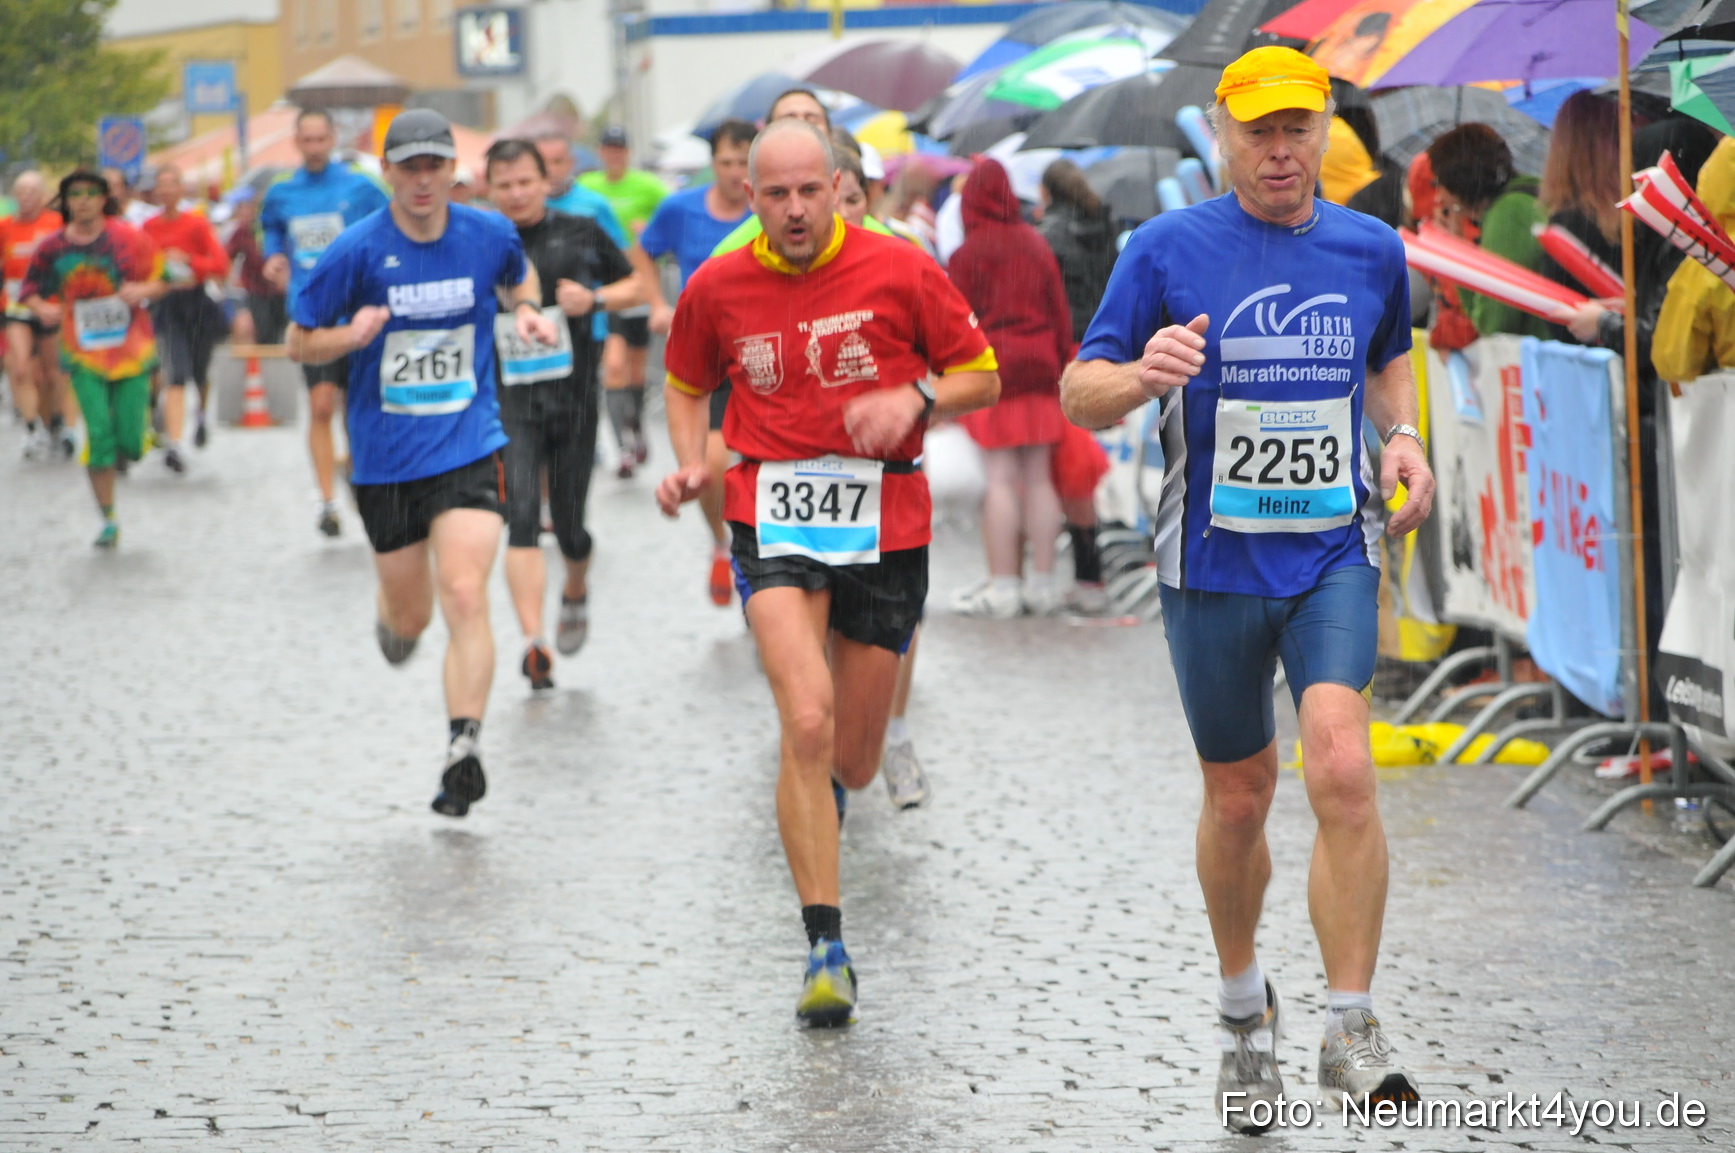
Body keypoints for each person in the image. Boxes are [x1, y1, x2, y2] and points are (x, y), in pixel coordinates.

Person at [1061, 47, 1434, 1130]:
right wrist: (1140, 376)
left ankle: (1349, 1027)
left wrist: (1402, 437)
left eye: (1297, 129)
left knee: (1343, 768)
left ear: (1324, 131)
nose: (1280, 152)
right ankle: (1241, 1011)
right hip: (1210, 564)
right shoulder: (1162, 248)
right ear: (1220, 134)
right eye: (1258, 132)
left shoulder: (1370, 246)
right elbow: (1080, 388)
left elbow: (1386, 360)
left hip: (1330, 552)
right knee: (1237, 797)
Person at [656, 119, 999, 1025]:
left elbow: (981, 374)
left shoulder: (899, 269)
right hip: (771, 515)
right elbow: (685, 380)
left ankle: (836, 795)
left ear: (838, 187)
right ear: (750, 198)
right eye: (776, 194)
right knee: (804, 720)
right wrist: (690, 461)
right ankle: (824, 945)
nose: (796, 209)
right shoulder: (718, 282)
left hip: (885, 523)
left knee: (852, 754)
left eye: (810, 190)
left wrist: (912, 396)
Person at [288, 109, 559, 818]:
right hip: (385, 462)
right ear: (387, 172)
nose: (422, 179)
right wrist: (349, 336)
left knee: (465, 592)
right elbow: (297, 340)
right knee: (411, 618)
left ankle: (463, 746)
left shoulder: (488, 233)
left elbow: (518, 274)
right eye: (408, 167)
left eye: (434, 165)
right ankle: (393, 615)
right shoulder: (354, 251)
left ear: (451, 170)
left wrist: (527, 309)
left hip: (469, 443)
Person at [484, 138, 641, 690]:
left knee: (571, 528)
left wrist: (594, 301)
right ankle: (534, 642)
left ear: (544, 181)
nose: (516, 194)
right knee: (523, 515)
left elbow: (636, 284)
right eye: (504, 185)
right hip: (510, 405)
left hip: (574, 400)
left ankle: (575, 587)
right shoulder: (482, 240)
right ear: (489, 189)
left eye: (525, 182)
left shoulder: (579, 230)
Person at [638, 119, 757, 606]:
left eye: (743, 163)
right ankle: (722, 542)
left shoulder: (770, 210)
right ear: (712, 164)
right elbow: (644, 252)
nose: (734, 172)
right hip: (708, 354)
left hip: (762, 351)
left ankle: (766, 552)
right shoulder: (681, 208)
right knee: (712, 464)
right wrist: (657, 303)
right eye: (726, 162)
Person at [948, 158, 1074, 618]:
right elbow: (1059, 312)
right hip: (1040, 369)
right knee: (1039, 477)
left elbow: (955, 324)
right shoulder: (1035, 244)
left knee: (999, 479)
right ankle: (1042, 584)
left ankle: (1003, 586)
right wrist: (1061, 365)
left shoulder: (967, 255)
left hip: (994, 373)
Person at [19, 170, 169, 547]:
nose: (83, 200)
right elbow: (30, 289)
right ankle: (108, 519)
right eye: (75, 194)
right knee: (100, 436)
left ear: (104, 199)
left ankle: (138, 437)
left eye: (90, 193)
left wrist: (143, 289)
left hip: (131, 351)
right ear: (65, 202)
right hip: (83, 354)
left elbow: (164, 277)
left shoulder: (129, 238)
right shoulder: (53, 247)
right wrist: (41, 308)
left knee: (130, 443)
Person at [261, 108, 390, 537]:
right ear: (296, 142)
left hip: (359, 315)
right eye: (307, 140)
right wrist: (273, 258)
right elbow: (272, 232)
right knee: (320, 406)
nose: (315, 147)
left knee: (357, 411)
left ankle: (359, 477)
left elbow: (392, 229)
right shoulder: (282, 193)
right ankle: (326, 500)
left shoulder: (361, 188)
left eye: (321, 139)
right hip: (312, 315)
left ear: (333, 139)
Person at [535, 132, 646, 475]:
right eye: (543, 163)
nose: (551, 170)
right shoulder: (523, 210)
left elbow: (623, 260)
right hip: (540, 325)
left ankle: (623, 445)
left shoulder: (592, 206)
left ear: (570, 163)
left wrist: (603, 299)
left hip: (594, 314)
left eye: (558, 161)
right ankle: (571, 456)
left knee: (614, 371)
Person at [1036, 159, 1119, 611]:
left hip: (1065, 353)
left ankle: (1087, 576)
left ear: (1047, 192)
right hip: (1101, 348)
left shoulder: (1048, 235)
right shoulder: (1103, 226)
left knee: (1066, 468)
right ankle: (1089, 573)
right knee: (1078, 467)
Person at [582, 127, 668, 465]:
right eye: (609, 148)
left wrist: (650, 232)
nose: (614, 155)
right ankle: (623, 446)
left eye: (619, 149)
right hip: (607, 289)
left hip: (640, 287)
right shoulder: (588, 187)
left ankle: (637, 424)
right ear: (601, 152)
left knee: (635, 369)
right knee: (614, 366)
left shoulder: (648, 186)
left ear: (627, 153)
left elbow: (669, 223)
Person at [1426, 123, 1548, 339]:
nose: (1438, 196)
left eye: (1438, 183)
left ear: (1458, 181)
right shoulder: (1528, 195)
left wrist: (1457, 249)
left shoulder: (1509, 213)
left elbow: (1491, 323)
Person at [142, 164, 230, 462]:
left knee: (199, 371)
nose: (167, 191)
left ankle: (201, 413)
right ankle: (175, 444)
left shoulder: (196, 225)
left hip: (197, 304)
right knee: (175, 373)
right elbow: (139, 265)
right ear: (155, 191)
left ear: (181, 189)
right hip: (167, 305)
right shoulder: (148, 227)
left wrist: (188, 261)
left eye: (172, 184)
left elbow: (220, 266)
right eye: (161, 185)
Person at [3, 171, 73, 460]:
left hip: (50, 305)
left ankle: (55, 421)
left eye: (31, 192)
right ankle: (32, 427)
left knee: (51, 373)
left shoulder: (56, 224)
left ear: (43, 196)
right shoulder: (5, 227)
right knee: (21, 367)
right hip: (17, 306)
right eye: (20, 192)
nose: (26, 197)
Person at [223, 190, 287, 345]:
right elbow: (227, 256)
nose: (246, 212)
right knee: (263, 331)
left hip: (279, 289)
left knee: (281, 331)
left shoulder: (272, 227)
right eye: (242, 208)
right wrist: (230, 279)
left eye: (249, 207)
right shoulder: (242, 231)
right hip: (256, 290)